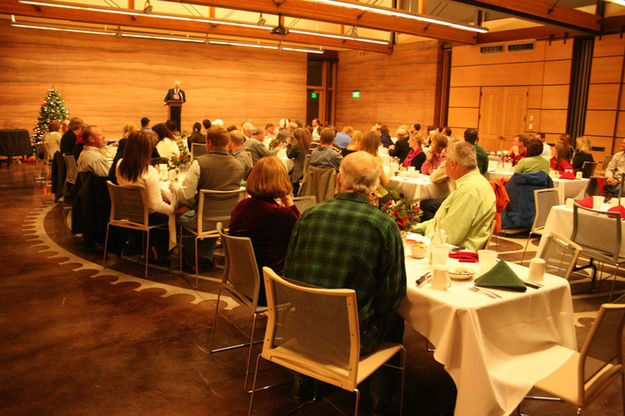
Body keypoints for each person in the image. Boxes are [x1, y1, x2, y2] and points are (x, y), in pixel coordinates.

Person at [284, 151, 406, 411]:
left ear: (339, 180)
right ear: (375, 187)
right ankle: (380, 403)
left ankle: (303, 384)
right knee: (395, 317)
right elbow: (392, 295)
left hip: (303, 329)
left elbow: (290, 275)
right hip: (353, 338)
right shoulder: (384, 226)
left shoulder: (308, 216)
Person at [229, 156, 301, 306]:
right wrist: (290, 204)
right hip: (271, 287)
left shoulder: (241, 206)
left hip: (242, 282)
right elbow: (303, 233)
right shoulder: (280, 214)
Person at [171, 127, 244, 271]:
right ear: (228, 143)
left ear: (209, 142)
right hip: (228, 219)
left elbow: (186, 195)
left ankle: (193, 259)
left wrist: (176, 190)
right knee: (212, 220)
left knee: (179, 217)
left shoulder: (199, 163)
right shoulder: (238, 165)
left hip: (203, 218)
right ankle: (206, 256)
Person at [413, 142, 496, 251]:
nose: (443, 163)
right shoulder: (473, 183)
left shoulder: (469, 191)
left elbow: (448, 236)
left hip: (454, 254)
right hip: (448, 246)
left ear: (453, 163)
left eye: (445, 159)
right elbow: (440, 221)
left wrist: (422, 237)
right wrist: (414, 228)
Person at [116, 131, 175, 262]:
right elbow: (156, 205)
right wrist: (173, 209)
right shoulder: (149, 171)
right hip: (146, 215)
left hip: (128, 213)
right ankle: (160, 250)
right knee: (169, 215)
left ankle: (145, 244)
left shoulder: (120, 165)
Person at [287, 127, 312, 194]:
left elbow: (289, 155)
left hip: (298, 174)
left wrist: (289, 144)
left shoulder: (297, 145)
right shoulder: (309, 144)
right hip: (308, 172)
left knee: (287, 175)